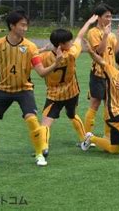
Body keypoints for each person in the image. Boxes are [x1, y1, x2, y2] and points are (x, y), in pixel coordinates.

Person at [0, 10, 63, 167]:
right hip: (3, 89)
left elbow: (41, 72)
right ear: (12, 25)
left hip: (24, 89)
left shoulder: (31, 47)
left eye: (26, 25)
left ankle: (39, 154)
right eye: (22, 25)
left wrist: (56, 64)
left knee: (32, 119)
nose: (25, 28)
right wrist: (1, 69)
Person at [39, 15, 98, 156]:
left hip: (54, 95)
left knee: (46, 123)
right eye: (68, 41)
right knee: (72, 115)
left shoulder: (44, 57)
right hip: (72, 92)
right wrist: (88, 22)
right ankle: (84, 139)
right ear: (61, 44)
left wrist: (40, 51)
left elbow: (31, 61)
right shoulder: (72, 54)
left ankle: (43, 148)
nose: (71, 42)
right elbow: (80, 37)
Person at [81, 45, 119, 160]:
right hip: (113, 113)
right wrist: (90, 51)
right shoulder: (112, 72)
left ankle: (91, 138)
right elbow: (100, 60)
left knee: (114, 149)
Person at [84, 4, 119, 136]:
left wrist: (118, 36)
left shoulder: (110, 33)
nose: (109, 19)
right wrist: (106, 35)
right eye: (107, 16)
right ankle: (87, 136)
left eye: (111, 16)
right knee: (95, 104)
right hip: (99, 73)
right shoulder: (93, 32)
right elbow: (98, 52)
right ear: (98, 18)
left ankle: (108, 135)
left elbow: (117, 53)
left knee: (109, 106)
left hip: (111, 74)